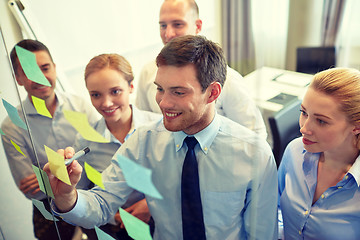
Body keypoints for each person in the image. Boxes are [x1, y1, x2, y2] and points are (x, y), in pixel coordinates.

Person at [44, 35, 278, 239]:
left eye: (178, 91)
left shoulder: (254, 153)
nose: (164, 103)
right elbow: (103, 203)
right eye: (160, 89)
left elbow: (261, 234)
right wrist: (68, 197)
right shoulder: (144, 141)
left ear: (213, 92)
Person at [1, 39, 99, 240]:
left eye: (44, 68)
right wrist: (78, 166)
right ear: (17, 78)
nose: (39, 77)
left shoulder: (81, 105)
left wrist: (46, 175)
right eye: (29, 72)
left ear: (54, 68)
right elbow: (32, 191)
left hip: (93, 198)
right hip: (50, 214)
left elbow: (102, 158)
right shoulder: (12, 127)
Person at [135, 0, 267, 139]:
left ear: (197, 26)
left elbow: (255, 137)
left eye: (177, 24)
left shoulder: (229, 80)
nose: (168, 34)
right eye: (163, 26)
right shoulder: (148, 72)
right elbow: (143, 122)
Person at [74, 53, 161, 239]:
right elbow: (81, 193)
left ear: (130, 87)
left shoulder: (160, 127)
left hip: (165, 222)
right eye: (96, 95)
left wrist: (150, 205)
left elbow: (180, 179)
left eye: (115, 91)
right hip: (117, 230)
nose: (106, 103)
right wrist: (113, 218)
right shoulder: (85, 143)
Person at [278, 68, 360, 239]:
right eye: (303, 113)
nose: (304, 128)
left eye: (321, 121)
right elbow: (275, 207)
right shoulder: (294, 151)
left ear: (356, 127)